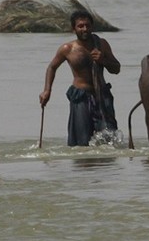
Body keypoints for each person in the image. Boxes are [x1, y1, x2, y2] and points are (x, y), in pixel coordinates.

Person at [38, 10, 121, 146]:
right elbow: (51, 67)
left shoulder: (102, 44)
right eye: (80, 26)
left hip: (102, 96)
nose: (85, 29)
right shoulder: (67, 49)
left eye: (87, 25)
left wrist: (103, 60)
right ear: (73, 29)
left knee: (110, 140)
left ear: (92, 26)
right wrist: (47, 90)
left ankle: (106, 166)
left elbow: (116, 68)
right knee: (80, 143)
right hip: (81, 97)